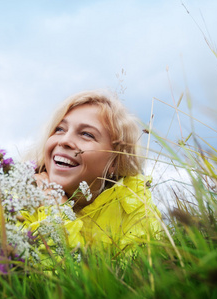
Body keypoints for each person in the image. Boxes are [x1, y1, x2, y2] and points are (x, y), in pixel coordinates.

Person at [29, 89, 161, 251]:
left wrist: (56, 209)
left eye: (86, 134)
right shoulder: (15, 198)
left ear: (115, 161)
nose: (64, 140)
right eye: (60, 129)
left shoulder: (136, 210)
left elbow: (69, 275)